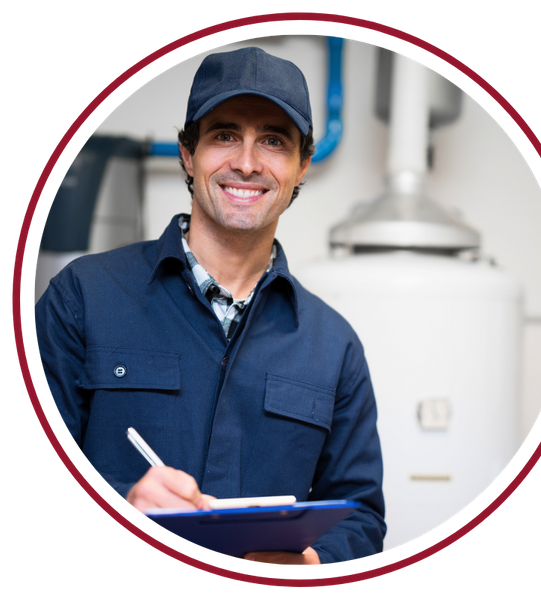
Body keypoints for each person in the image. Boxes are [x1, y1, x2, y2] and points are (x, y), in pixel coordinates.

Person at [33, 46, 385, 566]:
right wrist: (123, 504)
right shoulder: (81, 297)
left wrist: (307, 560)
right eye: (224, 135)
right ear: (186, 153)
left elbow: (361, 519)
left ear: (302, 165)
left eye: (273, 140)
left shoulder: (334, 346)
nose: (246, 163)